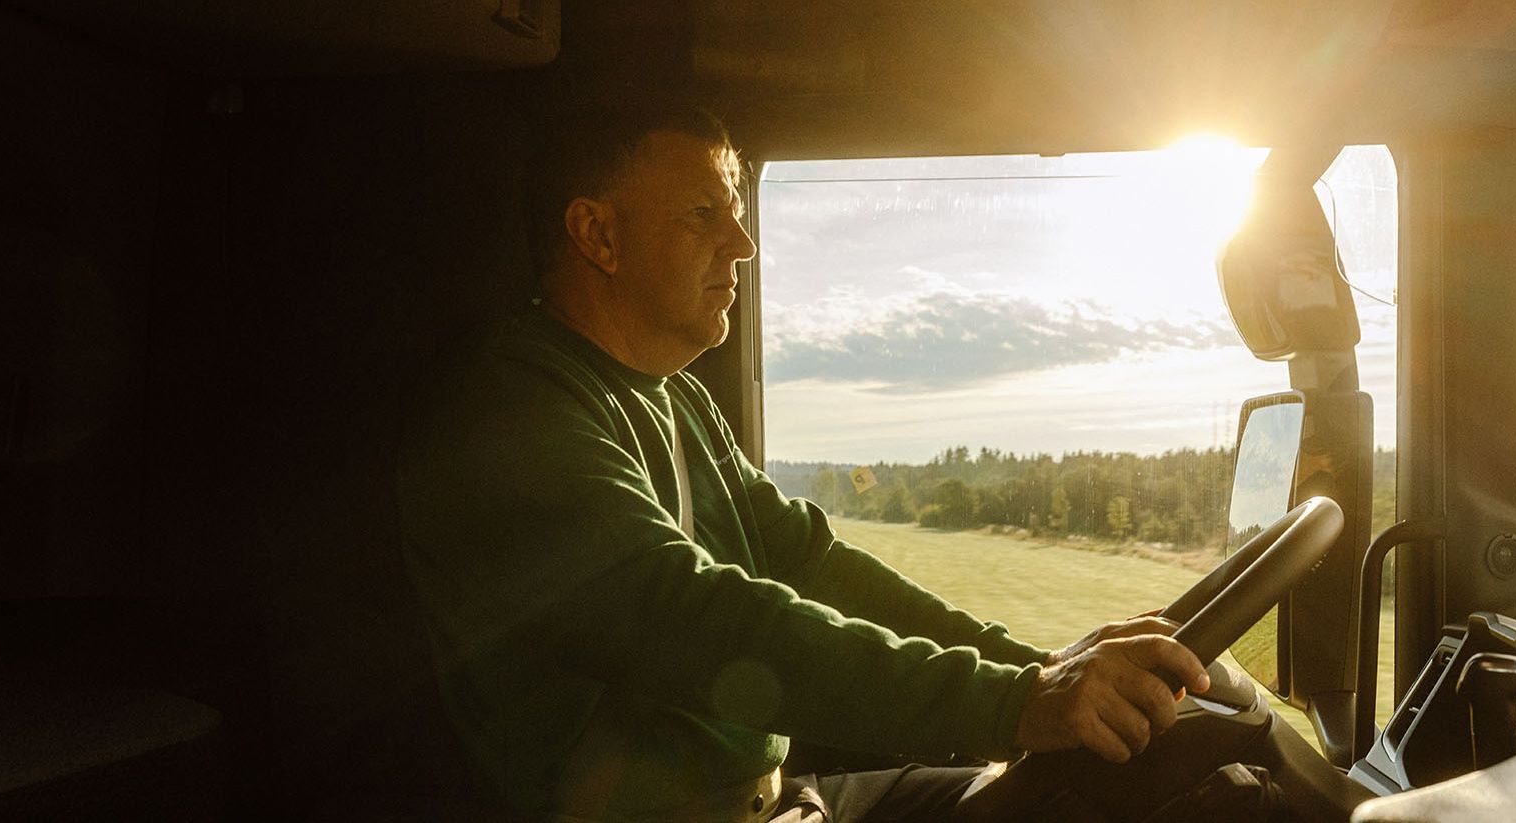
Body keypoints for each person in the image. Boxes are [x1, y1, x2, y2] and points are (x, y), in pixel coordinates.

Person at [397, 103, 1211, 822]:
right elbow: (691, 613)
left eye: (740, 211)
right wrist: (1013, 703)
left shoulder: (675, 397)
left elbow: (810, 560)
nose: (743, 243)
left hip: (780, 799)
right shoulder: (508, 410)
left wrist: (1038, 665)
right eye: (704, 212)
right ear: (598, 234)